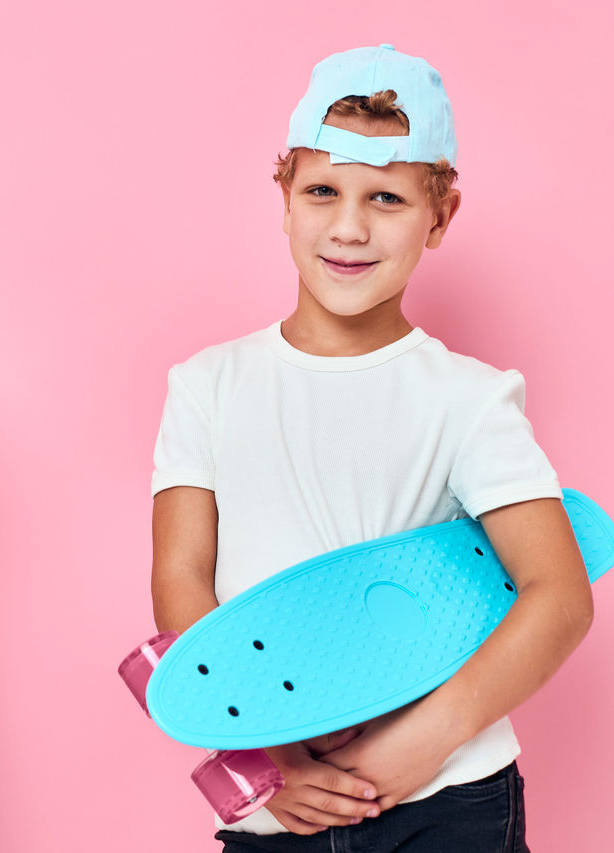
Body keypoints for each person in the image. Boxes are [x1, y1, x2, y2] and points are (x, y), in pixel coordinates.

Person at [149, 45, 592, 851]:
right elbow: (183, 580)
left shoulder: (470, 397)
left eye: (386, 197)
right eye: (323, 191)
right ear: (283, 197)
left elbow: (559, 595)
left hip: (449, 796)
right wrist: (269, 753)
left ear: (440, 216)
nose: (349, 227)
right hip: (277, 803)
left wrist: (417, 746)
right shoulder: (207, 384)